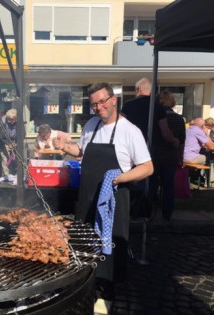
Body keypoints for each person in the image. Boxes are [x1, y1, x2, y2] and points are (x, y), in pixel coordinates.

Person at [54, 82, 153, 314]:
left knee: (109, 248)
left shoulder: (130, 131)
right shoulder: (91, 124)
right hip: (87, 197)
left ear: (113, 100)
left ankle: (105, 295)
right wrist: (66, 148)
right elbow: (83, 152)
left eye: (102, 102)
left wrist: (119, 178)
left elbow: (147, 167)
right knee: (84, 243)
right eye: (94, 104)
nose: (98, 107)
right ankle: (84, 285)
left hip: (113, 201)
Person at [154, 90, 186, 220]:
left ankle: (149, 211)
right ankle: (167, 214)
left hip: (155, 155)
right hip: (171, 156)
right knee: (168, 185)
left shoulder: (155, 118)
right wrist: (181, 157)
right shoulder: (179, 119)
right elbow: (182, 140)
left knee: (152, 185)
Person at [183, 117, 214, 186]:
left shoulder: (188, 129)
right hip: (190, 158)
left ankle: (198, 175)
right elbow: (211, 146)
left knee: (205, 153)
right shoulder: (199, 131)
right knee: (210, 157)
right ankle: (209, 181)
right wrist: (206, 133)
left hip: (183, 156)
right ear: (203, 126)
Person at [0, 108, 18, 176]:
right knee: (5, 159)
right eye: (10, 119)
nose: (11, 121)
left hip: (15, 141)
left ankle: (14, 174)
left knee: (15, 158)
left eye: (13, 120)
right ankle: (6, 175)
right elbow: (1, 135)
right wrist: (8, 143)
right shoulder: (2, 122)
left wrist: (17, 143)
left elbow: (22, 133)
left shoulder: (19, 122)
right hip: (4, 141)